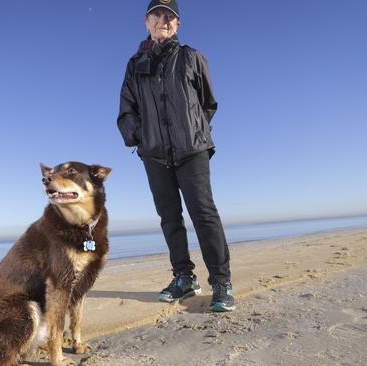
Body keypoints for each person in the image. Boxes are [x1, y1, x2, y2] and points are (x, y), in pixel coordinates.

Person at [117, 0, 234, 312]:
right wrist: (142, 138)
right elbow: (126, 111)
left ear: (177, 24)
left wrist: (193, 132)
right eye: (157, 15)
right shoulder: (135, 64)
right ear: (146, 21)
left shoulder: (191, 57)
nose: (163, 21)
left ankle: (221, 281)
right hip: (154, 155)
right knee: (169, 218)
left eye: (169, 17)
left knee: (204, 214)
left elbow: (208, 103)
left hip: (191, 151)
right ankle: (184, 277)